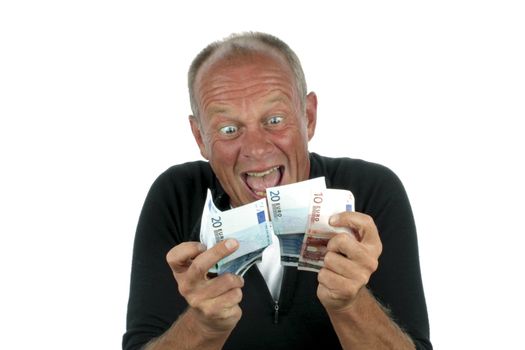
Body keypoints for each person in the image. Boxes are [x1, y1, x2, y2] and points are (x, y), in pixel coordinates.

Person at [123, 32, 432, 350]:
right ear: (200, 137)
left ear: (308, 117)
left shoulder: (372, 191)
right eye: (229, 129)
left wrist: (350, 303)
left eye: (274, 120)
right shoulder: (176, 196)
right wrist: (204, 325)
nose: (255, 150)